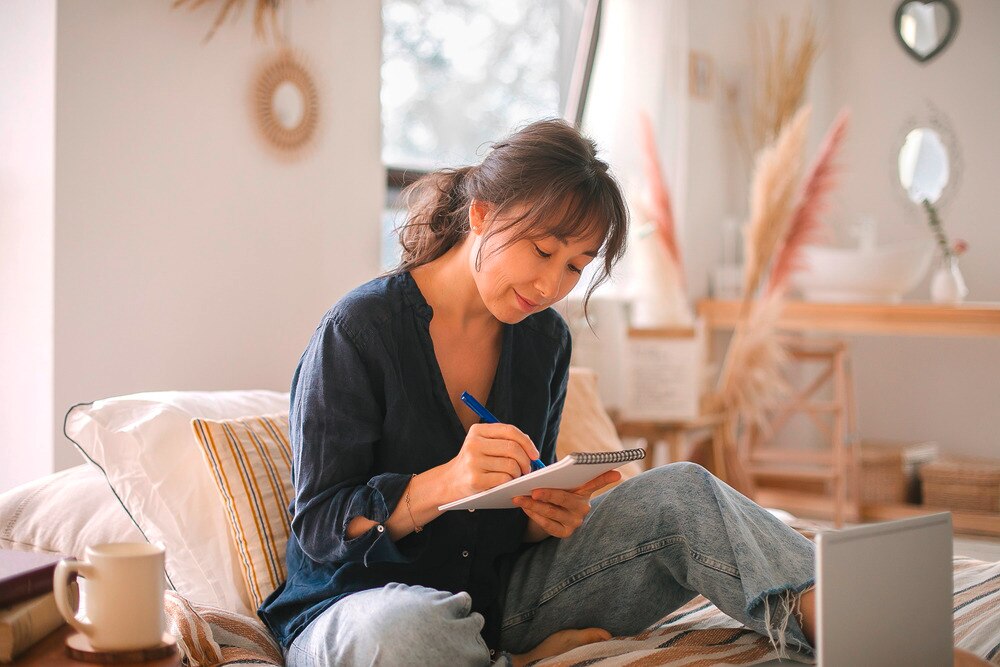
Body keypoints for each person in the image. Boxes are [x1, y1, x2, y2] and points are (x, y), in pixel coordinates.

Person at [258, 119, 817, 666]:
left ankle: (839, 617)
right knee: (404, 633)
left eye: (576, 266)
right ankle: (511, 661)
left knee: (685, 495)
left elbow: (511, 525)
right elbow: (320, 527)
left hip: (493, 598)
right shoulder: (358, 332)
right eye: (543, 251)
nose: (552, 287)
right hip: (357, 607)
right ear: (481, 215)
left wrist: (545, 512)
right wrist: (444, 483)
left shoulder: (545, 340)